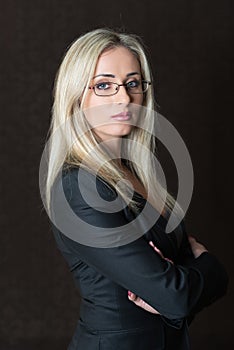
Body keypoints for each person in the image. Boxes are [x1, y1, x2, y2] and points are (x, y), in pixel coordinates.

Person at [43, 28, 228, 349]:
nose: (124, 98)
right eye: (103, 85)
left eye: (132, 83)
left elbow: (174, 297)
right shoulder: (78, 188)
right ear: (76, 97)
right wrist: (211, 267)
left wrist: (180, 287)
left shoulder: (134, 174)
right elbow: (176, 297)